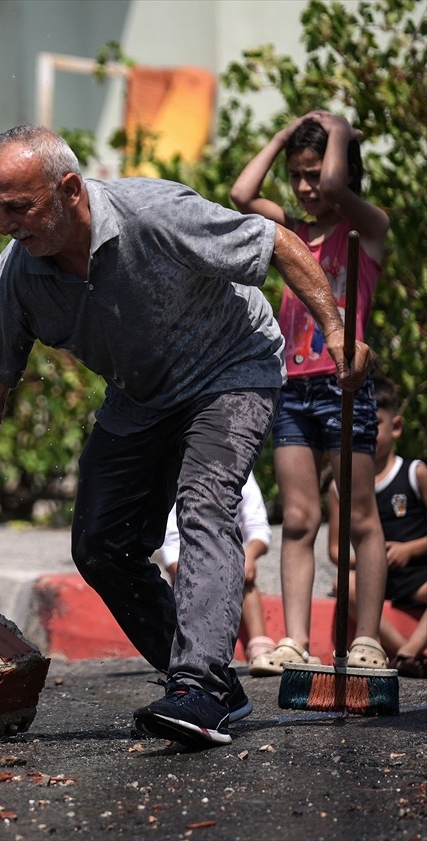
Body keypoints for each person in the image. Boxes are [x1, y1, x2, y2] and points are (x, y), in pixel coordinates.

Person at [0, 125, 372, 749]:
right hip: (141, 398)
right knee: (99, 544)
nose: (5, 225)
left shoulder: (154, 214)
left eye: (19, 208)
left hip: (230, 369)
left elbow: (275, 240)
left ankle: (200, 686)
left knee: (206, 501)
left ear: (69, 190)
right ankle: (207, 683)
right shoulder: (21, 275)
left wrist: (333, 332)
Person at [230, 110, 391, 677]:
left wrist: (343, 130)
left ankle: (368, 638)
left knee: (358, 516)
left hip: (344, 384)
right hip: (292, 389)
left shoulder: (366, 229)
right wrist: (279, 136)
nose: (305, 187)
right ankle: (295, 640)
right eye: (296, 174)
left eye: (313, 173)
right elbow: (241, 193)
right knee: (298, 519)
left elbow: (333, 188)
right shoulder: (289, 233)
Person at [326, 375, 427, 677]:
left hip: (417, 574)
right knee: (344, 587)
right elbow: (334, 549)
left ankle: (408, 651)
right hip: (374, 579)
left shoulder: (415, 473)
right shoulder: (338, 487)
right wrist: (370, 560)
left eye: (373, 425)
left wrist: (409, 550)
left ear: (395, 427)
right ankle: (404, 654)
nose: (363, 433)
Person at [158, 472, 277, 673]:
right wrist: (191, 572)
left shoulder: (241, 472)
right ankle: (189, 651)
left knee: (243, 578)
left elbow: (258, 527)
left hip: (231, 562)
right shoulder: (179, 475)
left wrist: (248, 556)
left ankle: (259, 649)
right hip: (191, 567)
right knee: (190, 589)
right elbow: (170, 544)